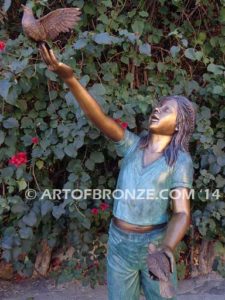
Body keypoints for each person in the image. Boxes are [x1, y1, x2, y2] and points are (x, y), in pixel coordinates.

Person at [39, 43, 196, 300]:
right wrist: (69, 78)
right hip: (119, 243)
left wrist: (166, 247)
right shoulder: (131, 145)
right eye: (158, 106)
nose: (157, 110)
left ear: (179, 125)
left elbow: (181, 213)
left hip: (154, 244)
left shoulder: (179, 161)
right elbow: (99, 118)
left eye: (166, 109)